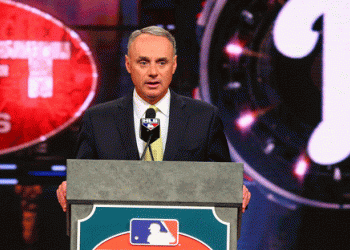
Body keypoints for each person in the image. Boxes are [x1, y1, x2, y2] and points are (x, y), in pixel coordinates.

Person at [56, 25, 250, 210]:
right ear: (128, 64)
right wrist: (70, 189)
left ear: (174, 65)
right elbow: (82, 183)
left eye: (161, 62)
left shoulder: (204, 118)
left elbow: (221, 183)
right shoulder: (98, 121)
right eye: (143, 62)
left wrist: (234, 191)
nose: (153, 73)